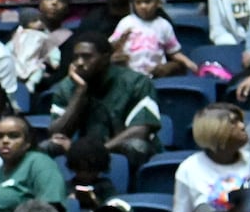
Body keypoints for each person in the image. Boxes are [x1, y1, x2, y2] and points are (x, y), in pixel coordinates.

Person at [47, 32, 163, 169]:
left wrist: (98, 151)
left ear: (105, 58)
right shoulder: (68, 86)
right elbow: (57, 132)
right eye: (76, 58)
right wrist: (79, 93)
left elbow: (140, 129)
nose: (79, 63)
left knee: (137, 146)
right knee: (48, 146)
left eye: (87, 57)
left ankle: (136, 188)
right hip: (83, 150)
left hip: (120, 147)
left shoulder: (136, 82)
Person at [0, 116, 69, 212]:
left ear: (27, 142)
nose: (5, 141)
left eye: (13, 136)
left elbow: (50, 211)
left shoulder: (39, 162)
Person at [172, 103, 250, 212]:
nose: (242, 126)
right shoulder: (189, 168)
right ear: (214, 130)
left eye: (241, 121)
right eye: (234, 122)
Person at [111, 0, 199, 77]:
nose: (143, 6)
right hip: (129, 75)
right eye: (138, 2)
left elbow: (173, 51)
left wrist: (189, 63)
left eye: (147, 1)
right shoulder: (126, 22)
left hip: (155, 75)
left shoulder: (164, 25)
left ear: (158, 2)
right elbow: (111, 45)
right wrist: (119, 42)